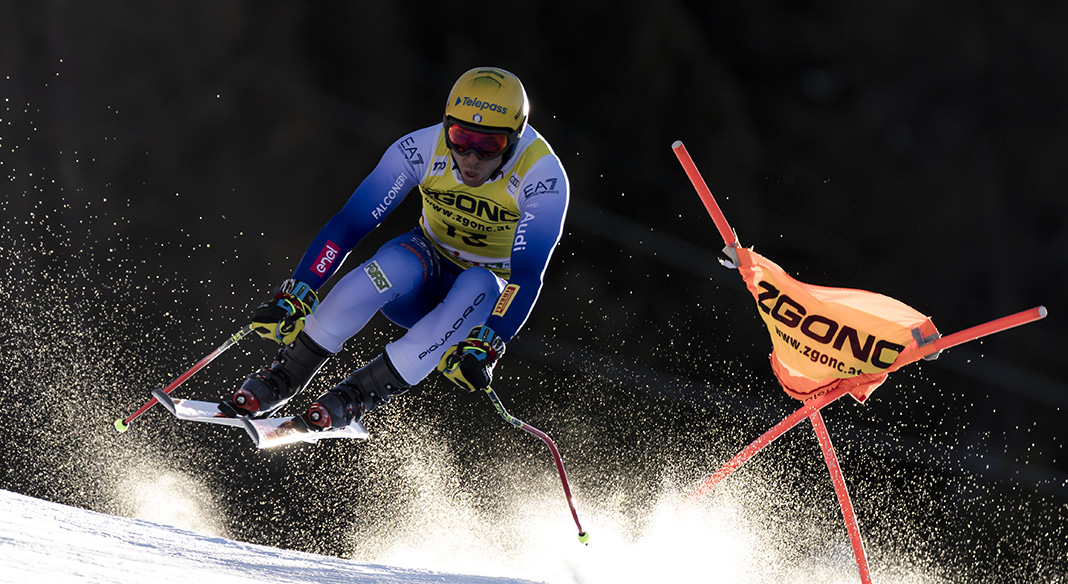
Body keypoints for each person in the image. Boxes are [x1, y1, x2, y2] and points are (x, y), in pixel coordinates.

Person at [218, 67, 569, 431]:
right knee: (388, 266)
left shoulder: (542, 177)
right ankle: (284, 376)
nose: (470, 157)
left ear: (515, 138)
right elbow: (350, 223)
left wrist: (491, 338)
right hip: (425, 264)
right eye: (460, 137)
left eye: (488, 145)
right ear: (446, 124)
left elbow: (527, 274)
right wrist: (300, 288)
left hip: (479, 294)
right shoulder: (420, 149)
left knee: (479, 284)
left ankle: (353, 398)